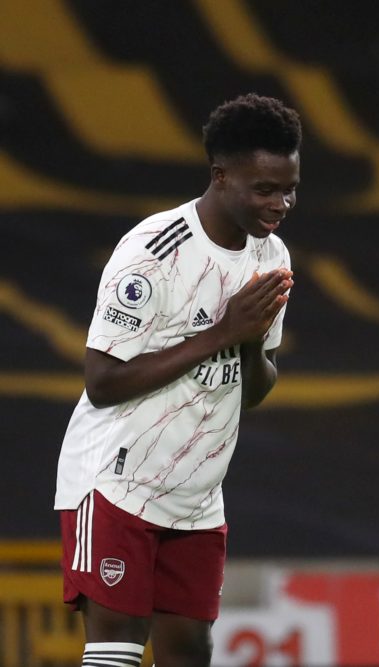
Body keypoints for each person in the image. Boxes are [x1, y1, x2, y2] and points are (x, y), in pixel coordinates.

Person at [54, 93, 302, 666]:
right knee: (118, 646)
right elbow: (103, 381)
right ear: (220, 176)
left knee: (189, 651)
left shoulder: (273, 256)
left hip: (195, 496)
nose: (281, 202)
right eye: (264, 189)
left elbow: (255, 391)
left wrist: (244, 340)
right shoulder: (153, 252)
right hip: (116, 481)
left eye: (289, 187)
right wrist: (222, 332)